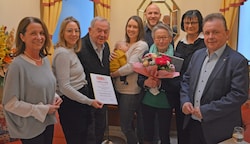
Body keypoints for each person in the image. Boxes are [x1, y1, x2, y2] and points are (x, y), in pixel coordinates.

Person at [180, 13, 249, 144]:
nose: (210, 37)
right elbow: (186, 80)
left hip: (218, 129)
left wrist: (206, 111)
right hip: (193, 124)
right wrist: (185, 101)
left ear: (227, 34)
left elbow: (239, 95)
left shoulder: (238, 61)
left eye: (216, 32)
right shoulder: (197, 55)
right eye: (207, 33)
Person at [2, 17, 63, 144]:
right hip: (30, 128)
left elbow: (43, 85)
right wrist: (42, 109)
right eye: (33, 33)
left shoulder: (45, 60)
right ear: (22, 37)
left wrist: (54, 96)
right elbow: (10, 104)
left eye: (41, 33)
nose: (39, 37)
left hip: (47, 122)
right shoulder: (17, 66)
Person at [52, 16, 103, 144]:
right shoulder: (62, 53)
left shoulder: (72, 50)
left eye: (76, 31)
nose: (74, 34)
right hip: (72, 105)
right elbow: (64, 87)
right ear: (62, 33)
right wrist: (88, 101)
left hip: (79, 101)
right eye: (69, 31)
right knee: (76, 139)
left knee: (84, 138)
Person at [110, 15, 148, 144]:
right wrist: (112, 56)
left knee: (125, 126)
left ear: (140, 29)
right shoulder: (123, 43)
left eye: (135, 27)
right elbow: (118, 58)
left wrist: (114, 74)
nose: (131, 29)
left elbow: (131, 66)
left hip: (131, 91)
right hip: (119, 88)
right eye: (129, 26)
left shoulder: (141, 45)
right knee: (128, 123)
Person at [137, 23, 174, 144]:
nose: (161, 41)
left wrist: (161, 83)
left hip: (166, 102)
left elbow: (178, 83)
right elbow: (139, 79)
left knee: (164, 135)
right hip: (147, 101)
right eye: (158, 38)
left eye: (164, 37)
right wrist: (146, 82)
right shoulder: (147, 54)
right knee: (147, 134)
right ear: (153, 39)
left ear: (170, 38)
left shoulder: (175, 57)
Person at [77, 16, 110, 144]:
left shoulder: (106, 46)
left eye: (105, 31)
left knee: (99, 132)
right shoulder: (79, 47)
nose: (102, 34)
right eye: (99, 30)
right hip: (86, 101)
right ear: (90, 30)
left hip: (102, 99)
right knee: (88, 136)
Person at [174, 9, 205, 144]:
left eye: (193, 22)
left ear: (200, 23)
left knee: (196, 126)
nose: (190, 26)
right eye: (187, 23)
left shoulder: (205, 42)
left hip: (199, 88)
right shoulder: (180, 43)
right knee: (181, 124)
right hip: (181, 89)